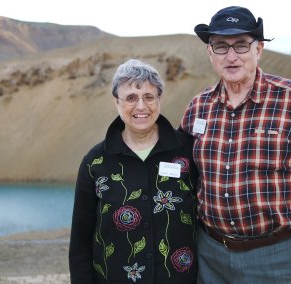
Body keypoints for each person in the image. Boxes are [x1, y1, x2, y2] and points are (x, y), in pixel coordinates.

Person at [179, 6, 291, 284]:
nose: (231, 56)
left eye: (241, 45)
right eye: (220, 46)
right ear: (210, 53)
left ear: (259, 50)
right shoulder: (198, 107)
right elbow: (181, 177)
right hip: (210, 257)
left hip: (280, 257)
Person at [69, 59, 198, 284]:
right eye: (130, 98)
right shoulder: (95, 162)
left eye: (149, 97)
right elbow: (80, 239)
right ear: (116, 102)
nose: (141, 106)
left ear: (159, 99)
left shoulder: (188, 151)